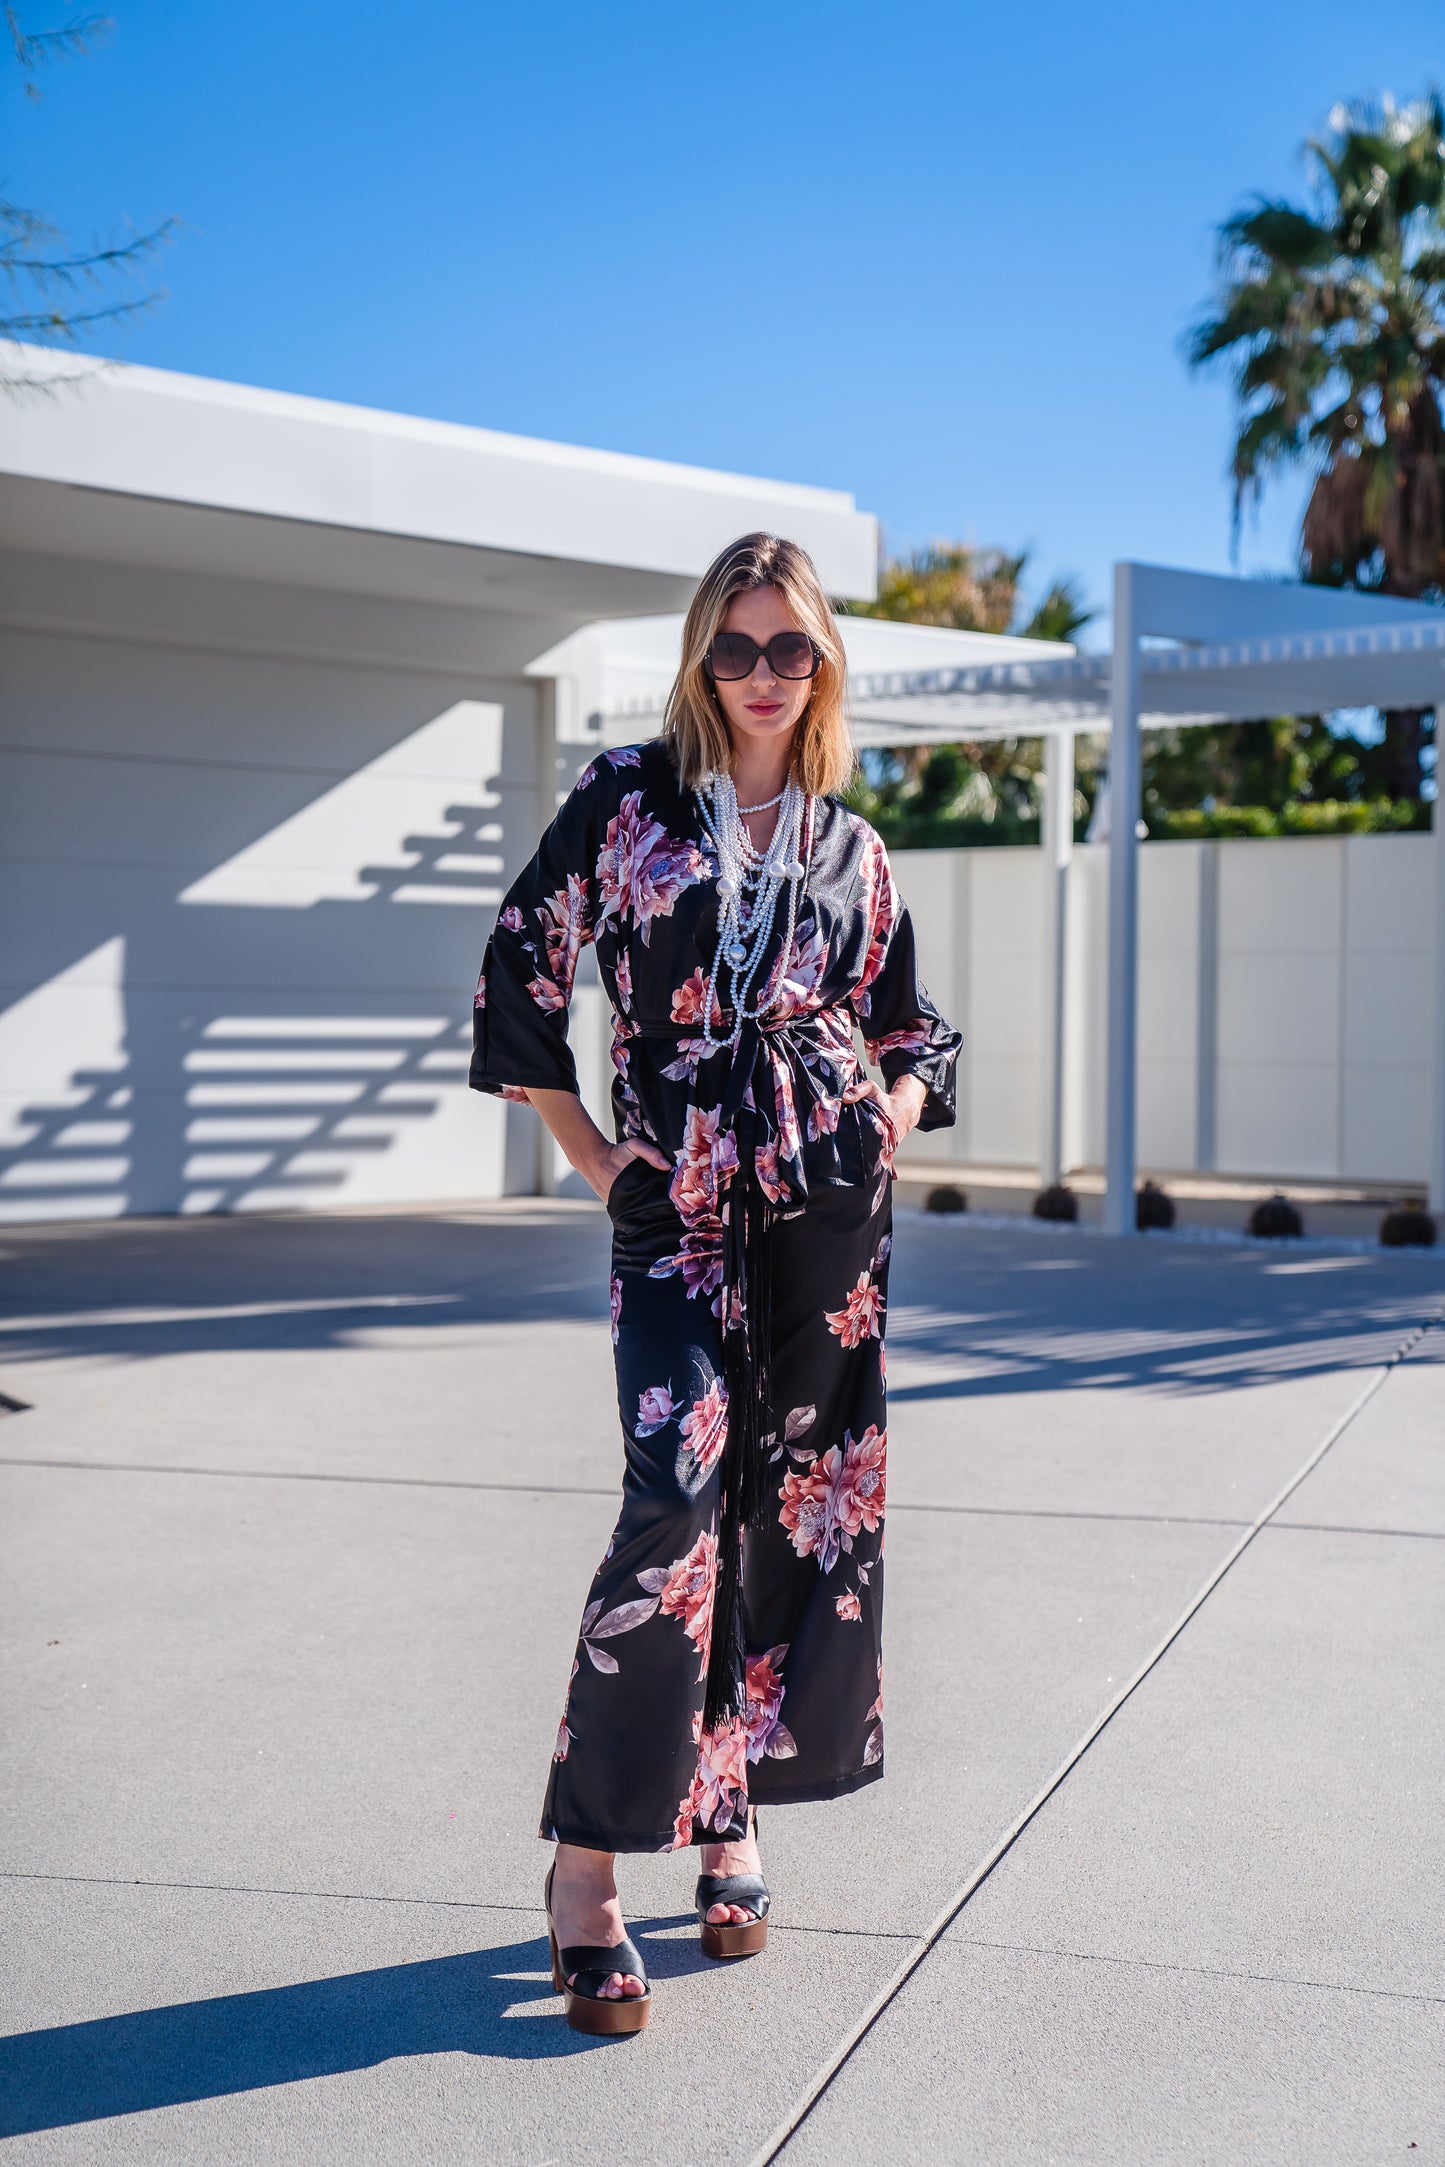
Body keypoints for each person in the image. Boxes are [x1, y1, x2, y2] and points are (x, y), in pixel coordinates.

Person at [470, 531, 961, 2034]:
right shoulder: (628, 805)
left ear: (822, 666)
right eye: (734, 647)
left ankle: (729, 1816)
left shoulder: (850, 847)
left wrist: (880, 1124)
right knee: (673, 1500)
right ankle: (585, 1872)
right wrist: (588, 1150)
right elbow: (518, 968)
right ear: (700, 656)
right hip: (673, 1208)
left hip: (820, 1224)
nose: (760, 675)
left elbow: (913, 1031)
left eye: (788, 649)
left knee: (780, 1513)